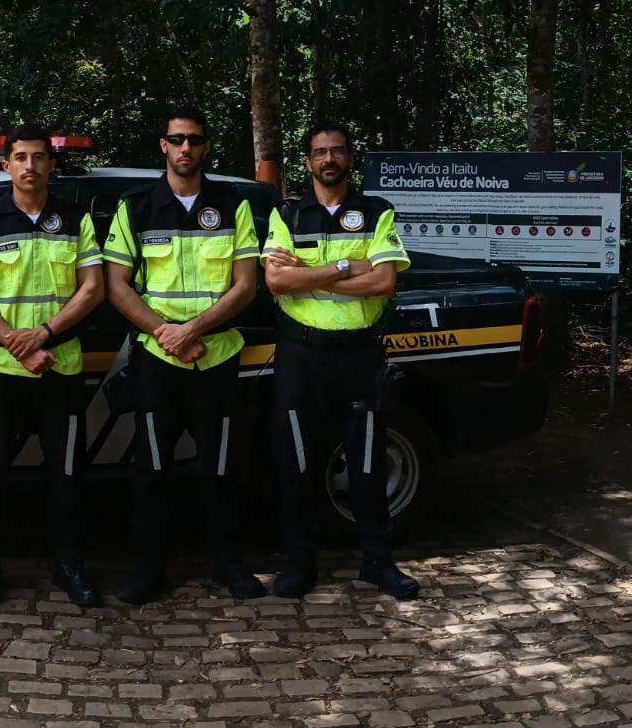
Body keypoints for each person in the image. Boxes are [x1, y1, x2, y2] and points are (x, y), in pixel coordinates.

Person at [102, 107, 265, 604]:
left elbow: (245, 285)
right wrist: (166, 334)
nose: (186, 148)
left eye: (195, 139)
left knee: (222, 468)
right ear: (164, 146)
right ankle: (148, 569)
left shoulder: (232, 205)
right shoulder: (136, 208)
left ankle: (228, 565)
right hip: (158, 361)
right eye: (177, 140)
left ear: (206, 146)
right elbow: (116, 286)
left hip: (216, 358)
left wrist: (192, 330)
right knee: (151, 470)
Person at [261, 121, 420, 600]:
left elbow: (384, 283)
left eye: (337, 151)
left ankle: (378, 562)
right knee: (297, 464)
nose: (328, 159)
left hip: (358, 356)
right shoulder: (286, 214)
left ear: (350, 159)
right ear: (307, 162)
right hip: (300, 356)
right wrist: (349, 266)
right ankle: (299, 565)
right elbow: (276, 284)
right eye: (319, 152)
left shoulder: (376, 211)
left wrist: (311, 274)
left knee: (367, 463)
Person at [0, 125, 106, 607]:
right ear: (6, 166)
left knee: (66, 476)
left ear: (50, 165)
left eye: (38, 157)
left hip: (61, 367)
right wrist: (16, 344)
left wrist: (43, 336)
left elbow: (92, 289)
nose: (29, 166)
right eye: (19, 157)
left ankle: (70, 565)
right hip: (4, 370)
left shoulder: (76, 219)